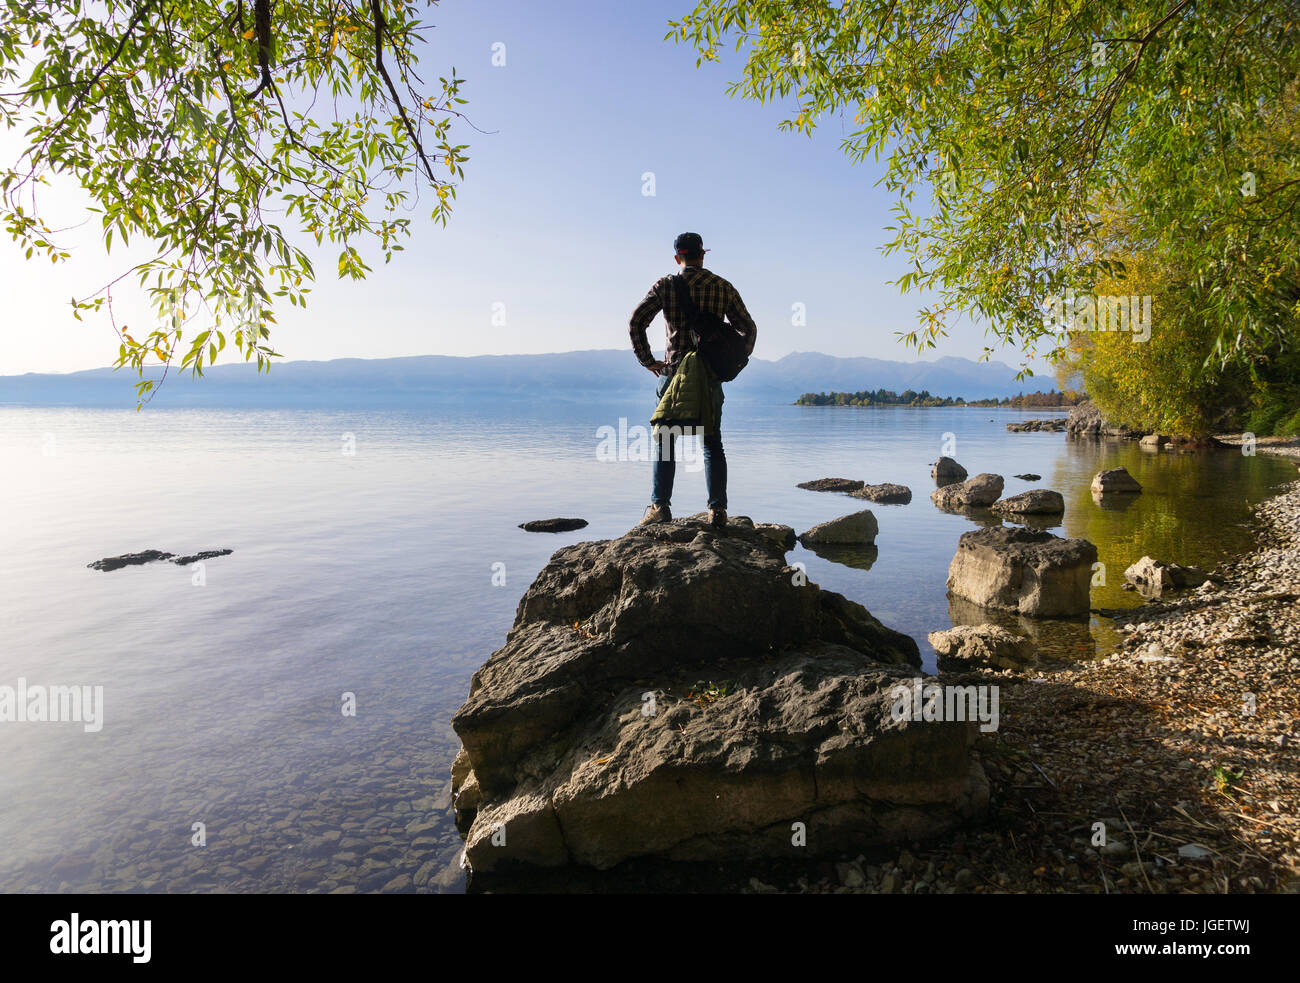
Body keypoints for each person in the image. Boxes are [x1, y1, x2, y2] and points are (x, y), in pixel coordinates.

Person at [628, 232, 757, 528]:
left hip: (672, 374)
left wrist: (648, 361)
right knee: (712, 443)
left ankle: (660, 508)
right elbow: (748, 329)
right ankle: (717, 511)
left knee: (666, 441)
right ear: (703, 254)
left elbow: (636, 322)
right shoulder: (722, 287)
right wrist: (732, 364)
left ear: (678, 258)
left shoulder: (666, 286)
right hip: (709, 378)